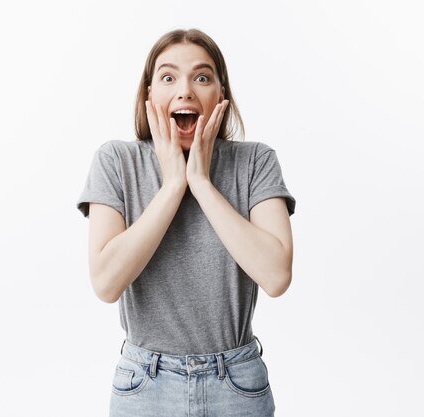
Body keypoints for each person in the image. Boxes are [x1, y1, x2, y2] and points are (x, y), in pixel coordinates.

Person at [76, 28, 296, 417]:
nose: (185, 91)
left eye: (202, 77)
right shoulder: (116, 162)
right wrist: (173, 185)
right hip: (145, 386)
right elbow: (106, 283)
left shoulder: (255, 162)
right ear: (148, 96)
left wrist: (202, 184)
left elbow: (276, 275)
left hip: (237, 385)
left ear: (221, 96)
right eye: (168, 77)